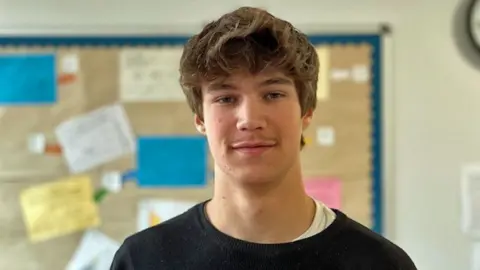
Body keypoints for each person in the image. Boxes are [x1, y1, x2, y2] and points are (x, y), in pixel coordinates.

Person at [110, 6, 417, 270]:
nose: (250, 120)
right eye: (226, 99)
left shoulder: (379, 263)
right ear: (200, 119)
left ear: (306, 111)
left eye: (273, 94)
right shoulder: (144, 260)